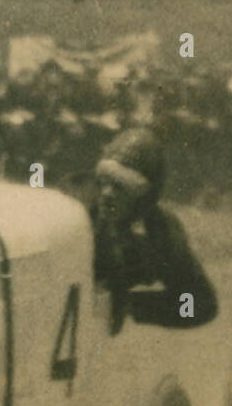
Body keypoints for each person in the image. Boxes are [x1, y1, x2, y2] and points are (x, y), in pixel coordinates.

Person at [91, 128, 218, 333]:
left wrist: (130, 304)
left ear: (142, 197)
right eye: (103, 182)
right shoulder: (72, 206)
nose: (106, 194)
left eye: (120, 186)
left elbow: (198, 303)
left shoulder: (160, 231)